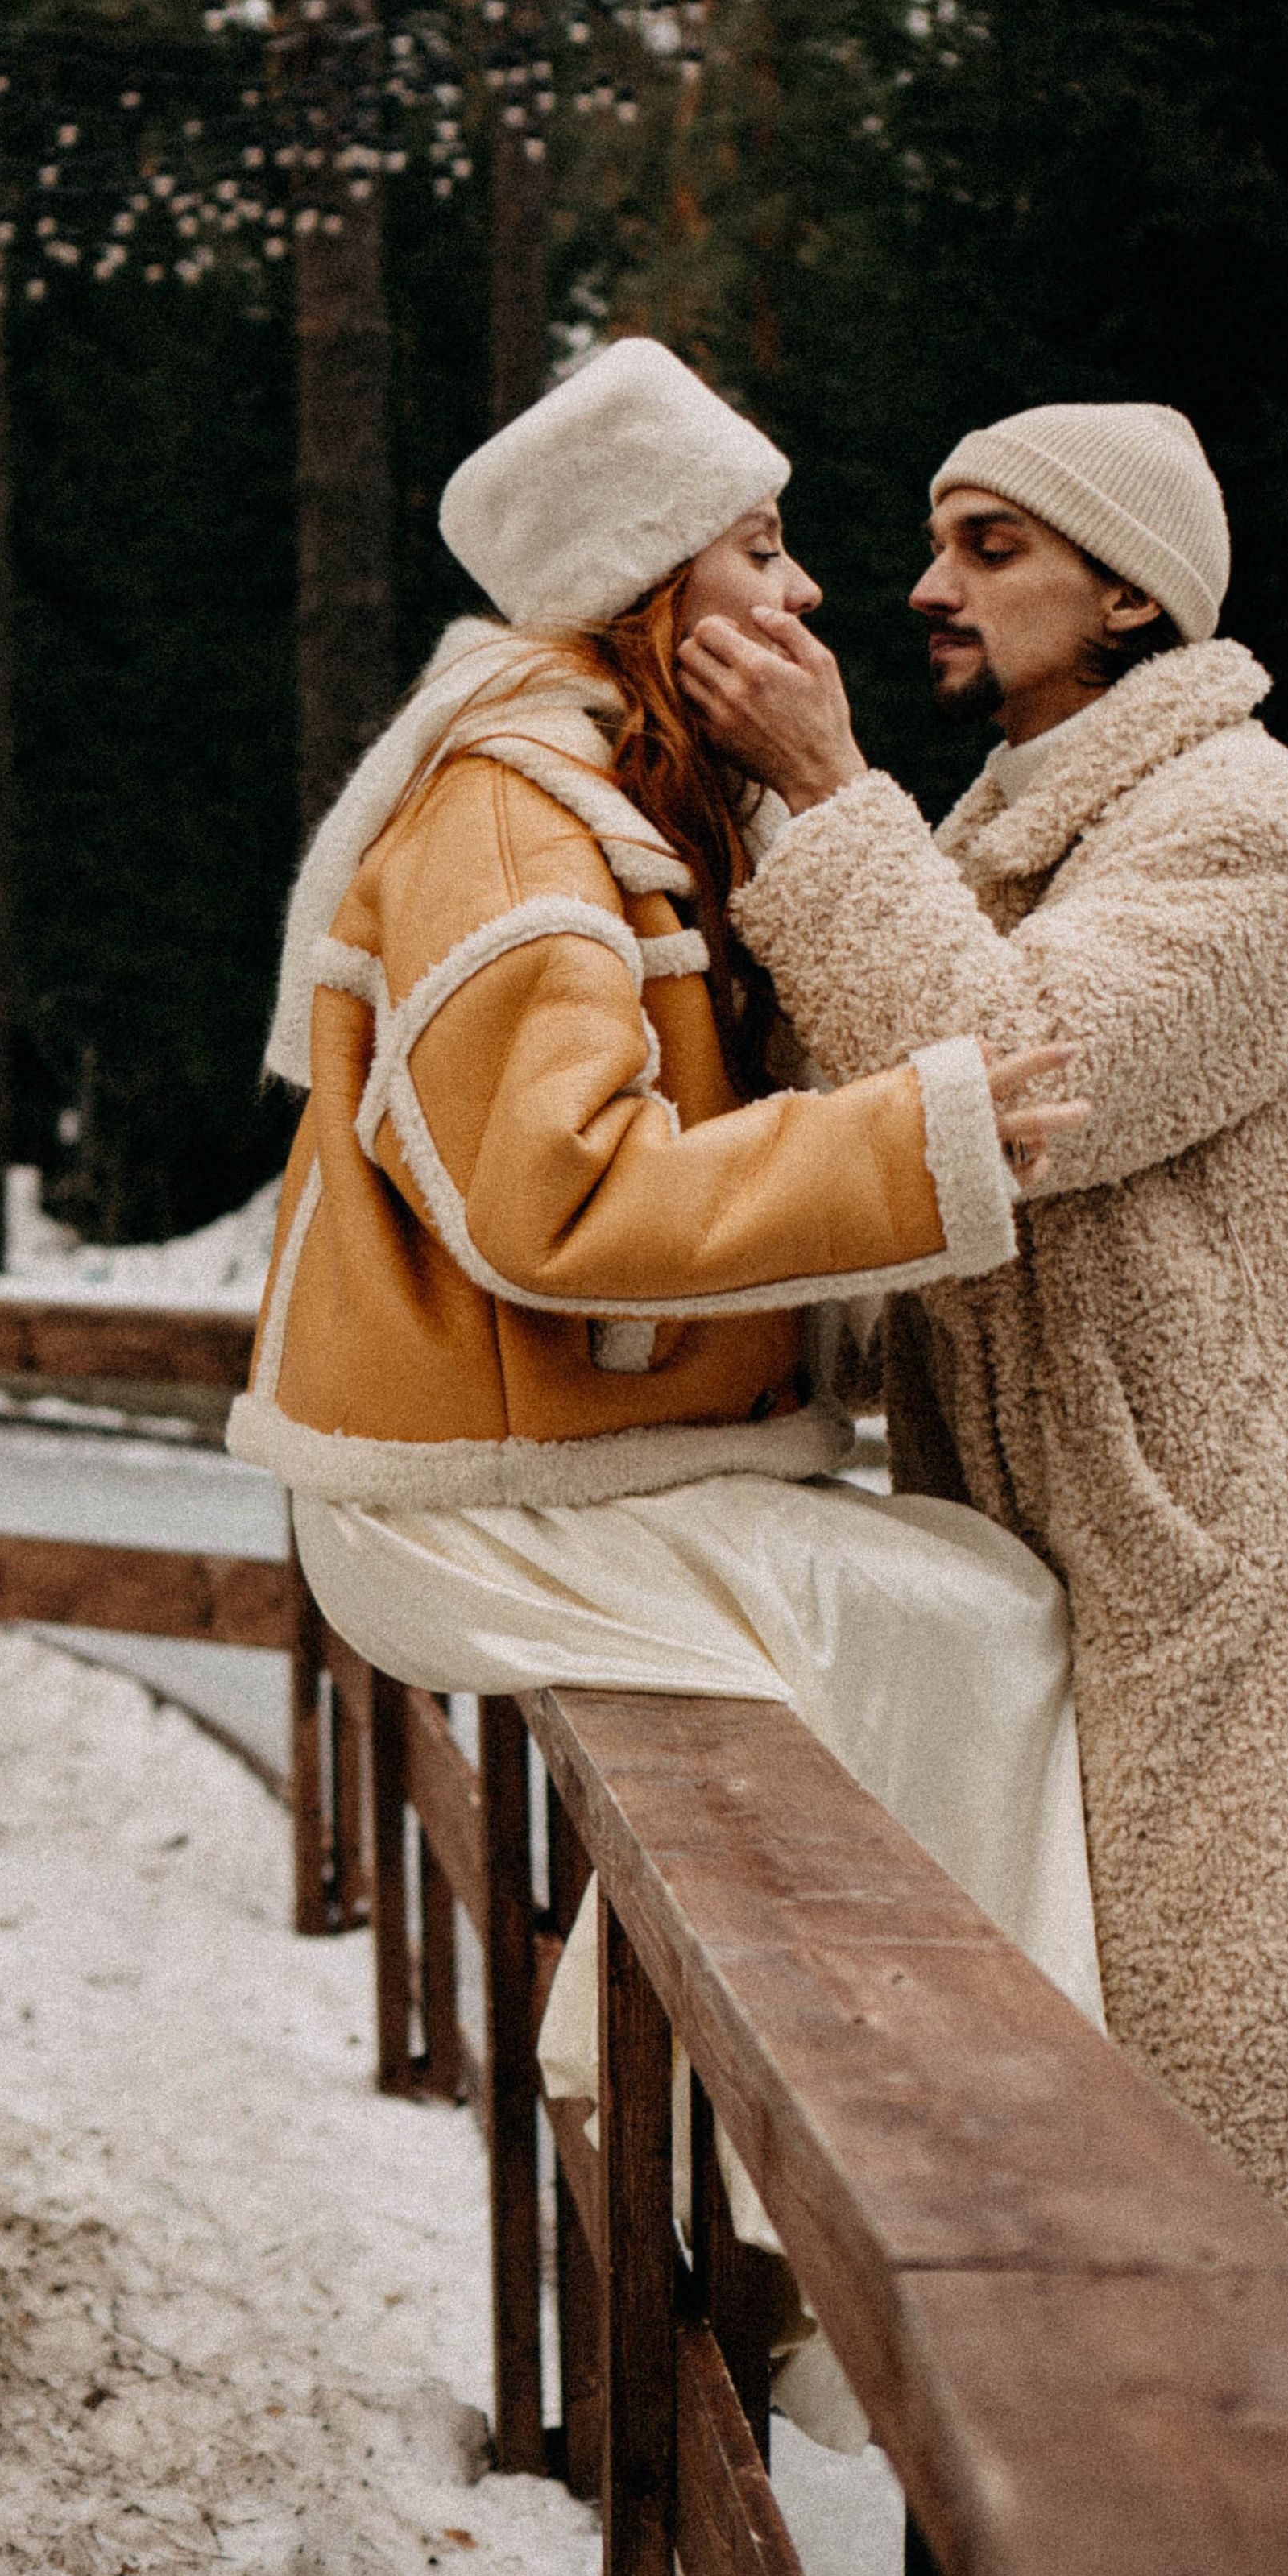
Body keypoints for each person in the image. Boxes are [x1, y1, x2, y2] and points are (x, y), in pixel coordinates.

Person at [677, 400, 1288, 2545]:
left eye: (991, 547)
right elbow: (858, 1110)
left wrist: (823, 794)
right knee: (1063, 2239)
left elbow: (1018, 1090)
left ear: (1135, 592)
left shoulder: (1266, 835)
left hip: (1245, 1646)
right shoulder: (1005, 849)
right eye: (933, 541)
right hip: (1070, 1628)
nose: (925, 588)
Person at [226, 338, 1104, 2451]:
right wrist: (919, 1139)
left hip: (552, 1471)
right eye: (760, 546)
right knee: (975, 1625)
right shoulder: (511, 818)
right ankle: (891, 2209)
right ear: (643, 580)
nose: (808, 590)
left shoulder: (610, 794)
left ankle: (823, 2171)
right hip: (459, 1500)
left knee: (966, 1602)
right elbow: (553, 1203)